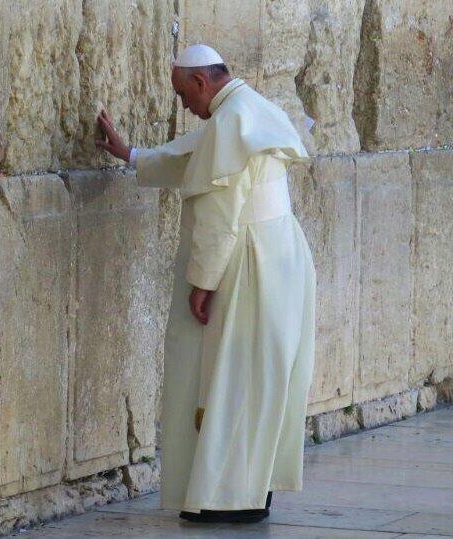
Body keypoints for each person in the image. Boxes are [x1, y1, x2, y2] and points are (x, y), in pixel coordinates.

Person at [96, 44, 316, 524]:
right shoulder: (247, 108)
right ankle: (250, 491)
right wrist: (131, 154)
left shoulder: (230, 118)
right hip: (280, 254)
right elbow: (195, 155)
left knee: (231, 374)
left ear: (201, 81)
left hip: (247, 262)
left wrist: (203, 282)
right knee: (261, 375)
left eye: (183, 94)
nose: (184, 105)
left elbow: (219, 211)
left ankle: (224, 498)